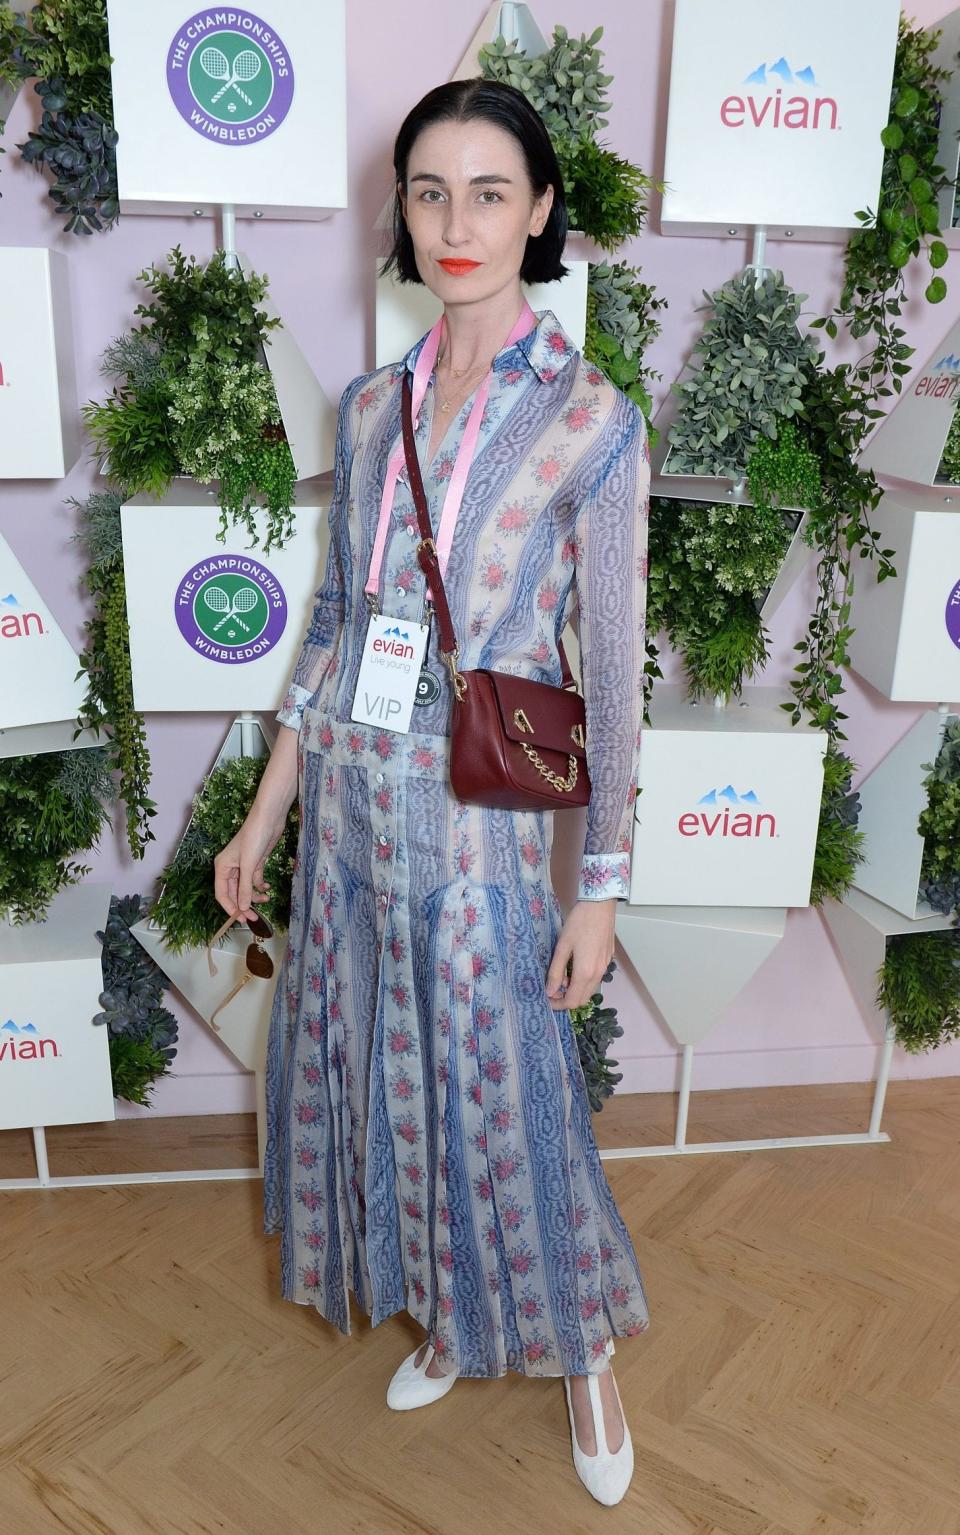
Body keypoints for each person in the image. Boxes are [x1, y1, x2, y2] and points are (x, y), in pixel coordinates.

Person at [214, 76, 651, 1507]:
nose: (455, 223)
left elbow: (614, 675)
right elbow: (341, 629)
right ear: (399, 213)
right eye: (426, 191)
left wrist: (603, 885)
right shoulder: (373, 401)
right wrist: (266, 813)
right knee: (388, 1088)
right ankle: (459, 1321)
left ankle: (581, 1350)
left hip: (482, 840)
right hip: (348, 815)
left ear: (537, 213)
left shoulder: (591, 417)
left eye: (487, 192)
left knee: (508, 1097)